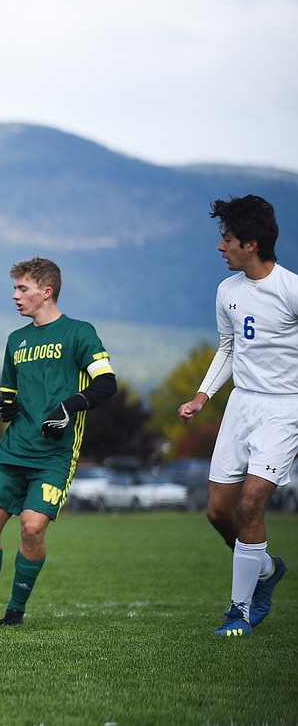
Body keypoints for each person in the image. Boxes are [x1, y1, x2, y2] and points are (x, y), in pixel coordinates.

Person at [0, 257, 116, 627]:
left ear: (46, 291)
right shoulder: (15, 340)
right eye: (15, 288)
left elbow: (106, 383)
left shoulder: (79, 333)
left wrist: (69, 407)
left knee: (32, 526)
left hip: (54, 455)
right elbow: (8, 396)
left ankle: (16, 612)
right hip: (12, 451)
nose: (15, 296)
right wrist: (2, 408)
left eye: (22, 288)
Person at [177, 195, 293, 638]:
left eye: (227, 239)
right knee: (218, 512)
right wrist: (202, 396)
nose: (220, 247)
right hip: (241, 406)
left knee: (250, 504)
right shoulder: (227, 291)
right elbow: (228, 349)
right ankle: (264, 569)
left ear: (252, 243)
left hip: (285, 409)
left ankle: (239, 611)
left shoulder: (291, 290)